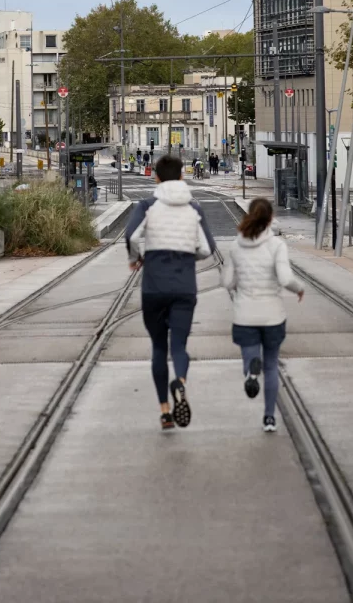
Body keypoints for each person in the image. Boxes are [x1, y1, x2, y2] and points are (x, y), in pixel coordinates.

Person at [125, 154, 217, 431]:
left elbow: (131, 236)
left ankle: (165, 412)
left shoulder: (147, 206)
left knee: (158, 347)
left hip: (153, 287)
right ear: (181, 176)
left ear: (155, 176)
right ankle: (182, 381)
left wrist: (137, 258)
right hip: (184, 287)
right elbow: (207, 248)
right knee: (179, 346)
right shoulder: (195, 208)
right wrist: (188, 258)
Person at [221, 197, 304, 433]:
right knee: (271, 367)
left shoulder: (236, 246)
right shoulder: (276, 245)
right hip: (272, 316)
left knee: (250, 356)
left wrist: (239, 282)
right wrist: (299, 289)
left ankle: (249, 371)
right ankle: (269, 418)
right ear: (270, 219)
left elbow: (227, 281)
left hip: (245, 315)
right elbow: (286, 279)